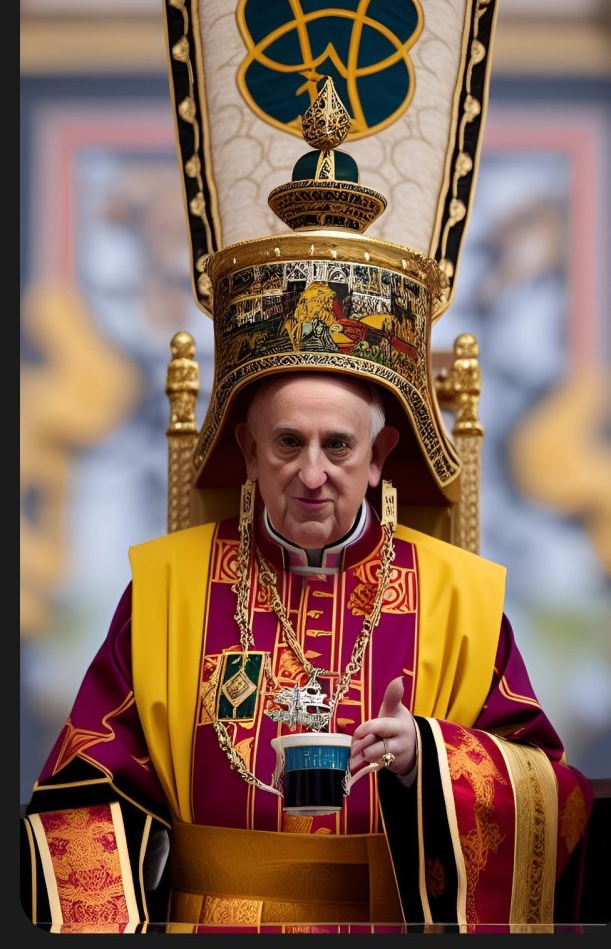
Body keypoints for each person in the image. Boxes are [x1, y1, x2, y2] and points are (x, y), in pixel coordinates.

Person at [21, 366, 592, 933]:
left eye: (338, 445)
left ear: (377, 457)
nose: (312, 475)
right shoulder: (166, 588)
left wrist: (428, 758)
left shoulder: (461, 597)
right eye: (289, 442)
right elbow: (85, 784)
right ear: (250, 452)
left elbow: (550, 792)